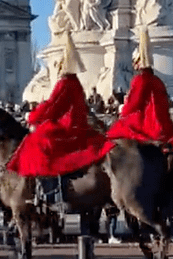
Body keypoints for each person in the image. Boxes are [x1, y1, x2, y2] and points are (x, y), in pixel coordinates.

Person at [6, 32, 107, 177]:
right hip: (78, 124)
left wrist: (33, 116)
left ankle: (43, 182)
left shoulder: (64, 83)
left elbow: (52, 106)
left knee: (35, 141)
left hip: (68, 126)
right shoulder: (75, 82)